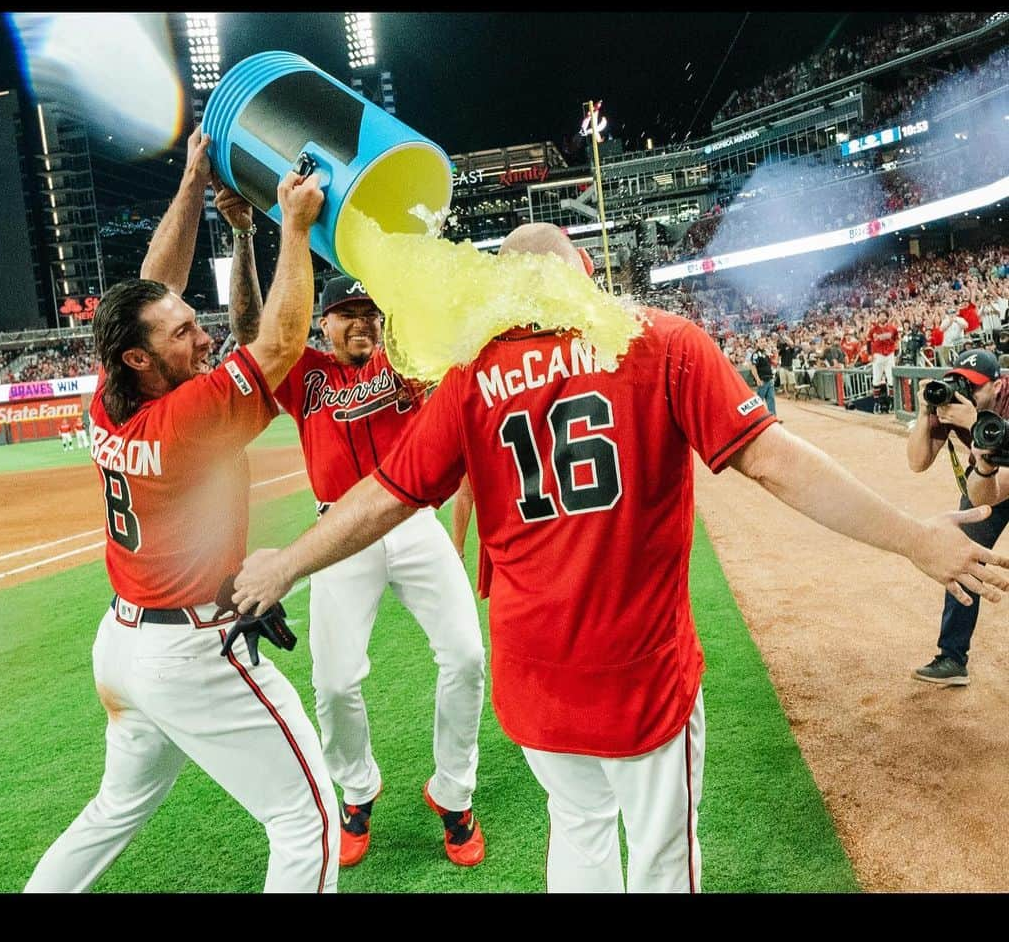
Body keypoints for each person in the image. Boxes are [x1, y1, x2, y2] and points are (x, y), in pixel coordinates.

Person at [230, 223, 1009, 894]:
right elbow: (775, 465)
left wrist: (286, 563)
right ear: (586, 277)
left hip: (535, 681)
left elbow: (381, 496)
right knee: (666, 862)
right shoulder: (659, 340)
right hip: (639, 677)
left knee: (577, 832)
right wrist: (914, 536)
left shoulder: (470, 377)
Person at [24, 128, 340, 893]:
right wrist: (291, 228)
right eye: (184, 334)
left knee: (113, 809)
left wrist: (194, 177)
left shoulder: (109, 396)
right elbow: (283, 342)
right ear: (140, 358)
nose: (202, 337)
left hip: (124, 646)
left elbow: (148, 288)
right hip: (190, 651)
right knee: (307, 823)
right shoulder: (188, 421)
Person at [228, 264, 485, 868]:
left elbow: (425, 314)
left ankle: (454, 795)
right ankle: (357, 792)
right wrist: (240, 237)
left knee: (468, 657)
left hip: (411, 517)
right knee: (335, 680)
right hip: (338, 532)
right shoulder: (304, 375)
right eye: (349, 314)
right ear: (325, 323)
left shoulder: (401, 359)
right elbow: (248, 329)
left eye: (371, 313)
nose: (363, 323)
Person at [907, 349, 1009, 687]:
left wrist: (976, 424)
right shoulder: (954, 406)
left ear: (998, 385)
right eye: (960, 382)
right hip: (989, 476)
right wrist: (926, 414)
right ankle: (952, 657)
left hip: (1000, 476)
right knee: (962, 553)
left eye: (974, 386)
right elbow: (917, 462)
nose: (964, 392)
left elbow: (999, 490)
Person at [867, 310, 900, 414]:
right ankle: (876, 404)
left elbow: (896, 340)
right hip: (877, 355)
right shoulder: (873, 330)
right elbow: (868, 342)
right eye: (880, 315)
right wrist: (869, 355)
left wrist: (897, 354)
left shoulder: (892, 328)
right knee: (876, 379)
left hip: (889, 354)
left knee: (891, 380)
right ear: (878, 317)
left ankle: (892, 403)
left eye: (884, 315)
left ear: (887, 317)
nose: (882, 317)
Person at [748, 338, 777, 417]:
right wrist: (757, 379)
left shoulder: (766, 353)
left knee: (771, 399)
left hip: (769, 379)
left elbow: (772, 363)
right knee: (759, 400)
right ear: (757, 343)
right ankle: (756, 417)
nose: (763, 343)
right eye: (761, 342)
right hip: (762, 380)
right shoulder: (756, 354)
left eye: (764, 342)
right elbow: (753, 366)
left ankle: (773, 417)